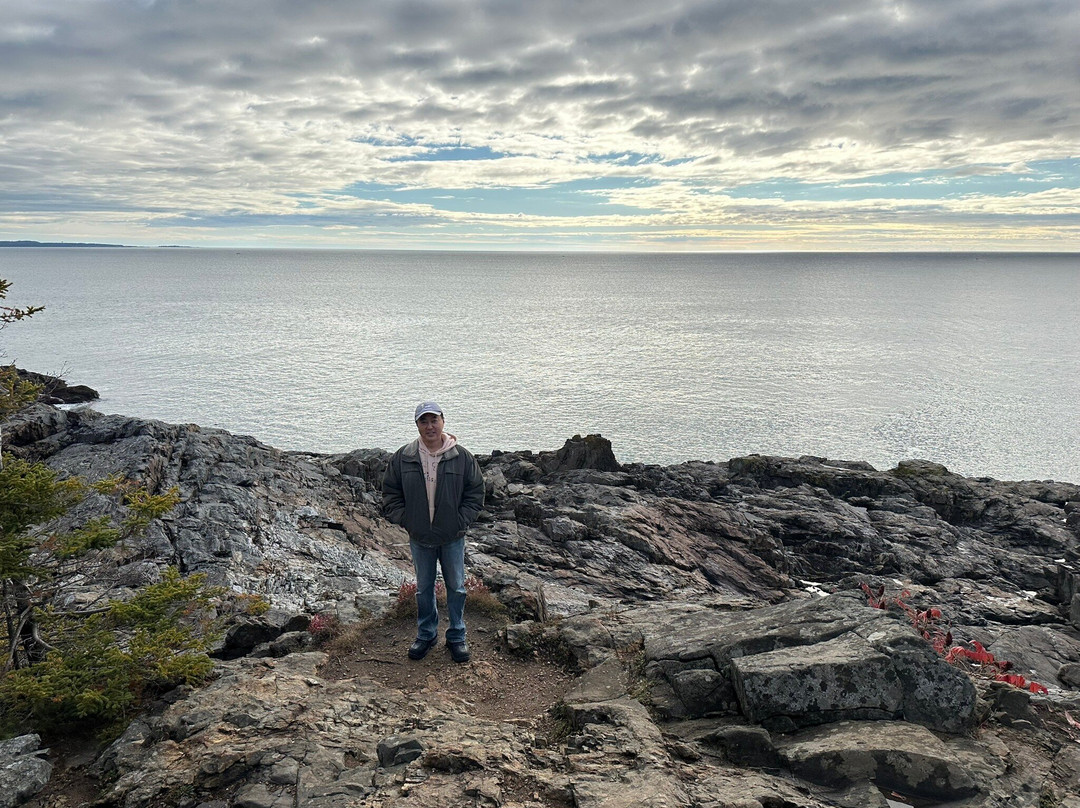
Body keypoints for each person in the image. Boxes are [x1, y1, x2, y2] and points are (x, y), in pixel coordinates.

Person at [382, 401, 485, 663]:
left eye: (434, 420)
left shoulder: (461, 456)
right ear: (417, 425)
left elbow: (476, 492)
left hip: (452, 537)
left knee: (457, 588)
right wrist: (407, 520)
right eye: (424, 421)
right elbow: (390, 492)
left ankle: (457, 636)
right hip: (420, 537)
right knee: (424, 589)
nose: (430, 426)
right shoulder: (404, 456)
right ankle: (426, 634)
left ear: (443, 422)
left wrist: (461, 521)